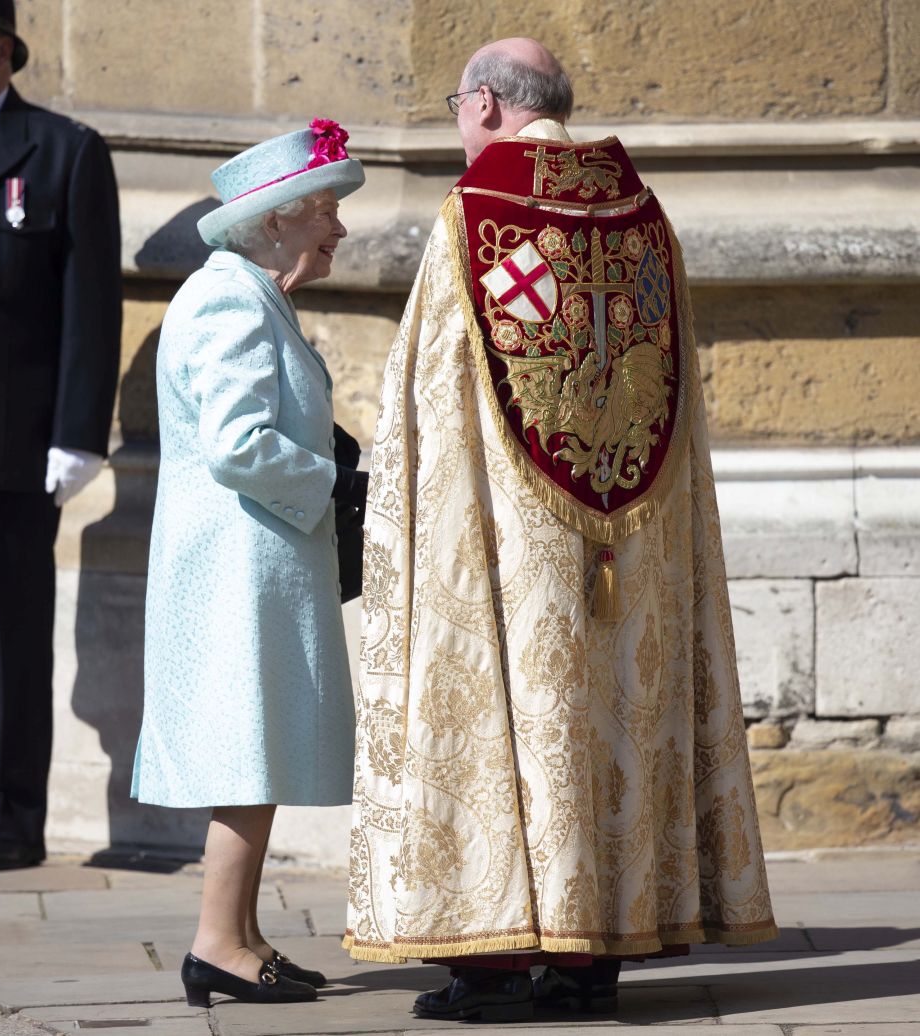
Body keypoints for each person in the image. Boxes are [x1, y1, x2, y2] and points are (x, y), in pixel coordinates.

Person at [343, 37, 778, 1022]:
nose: (459, 120)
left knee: (506, 719)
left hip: (509, 539)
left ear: (490, 104)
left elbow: (431, 401)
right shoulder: (644, 215)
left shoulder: (473, 216)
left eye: (459, 102)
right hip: (631, 542)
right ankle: (595, 959)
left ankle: (493, 962)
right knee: (610, 723)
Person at [131, 120, 367, 1008]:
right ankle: (216, 943)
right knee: (245, 753)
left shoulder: (253, 293)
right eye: (325, 211)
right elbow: (238, 447)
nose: (339, 229)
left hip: (254, 561)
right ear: (273, 222)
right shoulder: (228, 298)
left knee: (256, 751)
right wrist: (343, 484)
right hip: (235, 567)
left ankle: (240, 935)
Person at [0, 0, 121, 873]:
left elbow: (90, 304)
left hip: (9, 448)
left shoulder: (62, 151)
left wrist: (77, 433)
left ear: (4, 50)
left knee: (6, 639)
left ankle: (8, 822)